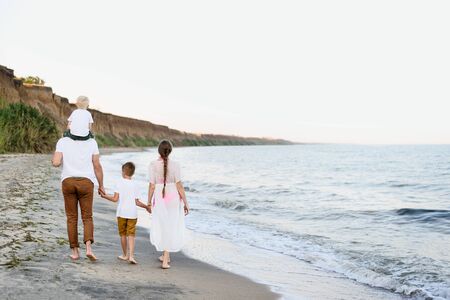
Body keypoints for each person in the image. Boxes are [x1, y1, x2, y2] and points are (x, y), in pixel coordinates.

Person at [52, 135, 104, 261]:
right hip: (86, 182)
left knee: (71, 217)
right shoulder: (92, 142)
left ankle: (75, 252)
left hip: (68, 181)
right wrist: (101, 185)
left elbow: (56, 162)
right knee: (87, 216)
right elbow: (97, 165)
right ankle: (88, 249)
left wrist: (54, 161)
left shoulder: (62, 141)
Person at [148, 139, 190, 269]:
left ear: (159, 151)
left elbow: (152, 185)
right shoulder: (176, 165)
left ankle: (165, 259)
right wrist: (186, 203)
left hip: (160, 196)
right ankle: (166, 257)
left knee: (163, 225)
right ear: (170, 151)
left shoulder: (153, 165)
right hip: (172, 196)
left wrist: (149, 201)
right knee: (170, 225)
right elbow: (179, 185)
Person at [100, 162, 151, 264]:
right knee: (131, 235)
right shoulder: (136, 184)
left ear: (123, 172)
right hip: (132, 214)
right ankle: (131, 256)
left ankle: (125, 255)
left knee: (123, 235)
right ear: (133, 173)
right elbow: (137, 202)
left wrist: (105, 196)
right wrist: (146, 206)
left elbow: (115, 199)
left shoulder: (119, 182)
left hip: (121, 213)